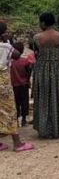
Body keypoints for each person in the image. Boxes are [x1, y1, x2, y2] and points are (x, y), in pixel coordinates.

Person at [32, 12, 59, 139]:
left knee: (43, 98)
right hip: (57, 70)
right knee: (57, 96)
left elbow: (36, 55)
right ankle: (58, 128)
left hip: (41, 70)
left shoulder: (37, 38)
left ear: (43, 23)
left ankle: (44, 129)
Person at [0, 23, 34, 152]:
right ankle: (17, 143)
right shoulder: (6, 46)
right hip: (3, 81)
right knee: (10, 110)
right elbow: (17, 55)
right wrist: (6, 41)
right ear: (3, 34)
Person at [10, 42, 32, 127]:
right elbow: (29, 71)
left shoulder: (10, 62)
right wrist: (28, 79)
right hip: (24, 84)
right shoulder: (25, 61)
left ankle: (16, 121)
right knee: (24, 102)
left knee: (16, 102)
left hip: (14, 85)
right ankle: (23, 120)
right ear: (22, 51)